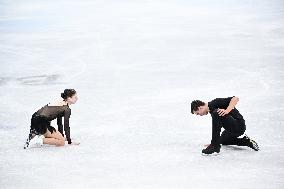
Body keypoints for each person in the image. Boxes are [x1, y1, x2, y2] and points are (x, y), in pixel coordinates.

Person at [191, 96, 259, 155]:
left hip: (238, 126)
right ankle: (247, 142)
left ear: (200, 108)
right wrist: (217, 140)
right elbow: (218, 125)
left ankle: (215, 147)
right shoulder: (211, 109)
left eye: (197, 113)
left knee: (216, 113)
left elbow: (235, 98)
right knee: (223, 141)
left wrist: (227, 111)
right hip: (230, 130)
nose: (199, 115)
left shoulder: (215, 102)